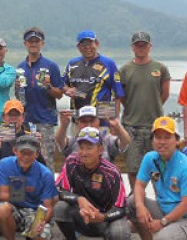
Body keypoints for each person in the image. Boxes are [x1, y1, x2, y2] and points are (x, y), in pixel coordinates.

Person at [123, 117, 187, 240]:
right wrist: (141, 206)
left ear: (177, 140)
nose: (162, 142)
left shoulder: (186, 166)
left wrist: (162, 223)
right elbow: (140, 185)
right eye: (158, 137)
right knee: (132, 202)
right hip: (165, 208)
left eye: (167, 137)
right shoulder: (150, 158)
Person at [54, 127, 131, 240]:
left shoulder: (112, 172)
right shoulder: (71, 162)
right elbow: (59, 191)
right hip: (81, 213)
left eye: (89, 148)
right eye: (81, 147)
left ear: (101, 150)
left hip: (106, 217)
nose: (83, 153)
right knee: (60, 207)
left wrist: (103, 217)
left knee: (120, 233)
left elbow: (121, 208)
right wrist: (79, 199)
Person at [119, 31, 171, 190]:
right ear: (132, 47)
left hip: (154, 127)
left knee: (158, 168)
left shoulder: (160, 68)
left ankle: (160, 200)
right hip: (131, 126)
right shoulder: (125, 69)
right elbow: (121, 96)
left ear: (150, 46)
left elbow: (165, 93)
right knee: (133, 168)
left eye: (144, 45)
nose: (141, 48)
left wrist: (153, 106)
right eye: (137, 45)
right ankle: (135, 201)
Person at [0, 134, 59, 240]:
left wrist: (40, 223)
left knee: (43, 239)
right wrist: (20, 191)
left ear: (37, 154)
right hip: (14, 206)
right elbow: (3, 196)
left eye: (30, 153)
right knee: (2, 209)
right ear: (15, 151)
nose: (25, 157)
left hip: (35, 210)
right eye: (22, 152)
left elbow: (48, 206)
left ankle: (32, 237)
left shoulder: (46, 174)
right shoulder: (4, 164)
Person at [17, 27, 66, 171]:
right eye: (30, 41)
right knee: (26, 157)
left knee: (46, 158)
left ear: (42, 44)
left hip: (45, 121)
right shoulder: (20, 67)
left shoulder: (51, 66)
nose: (33, 44)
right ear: (25, 44)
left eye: (36, 41)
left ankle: (48, 191)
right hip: (26, 122)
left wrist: (49, 86)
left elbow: (60, 94)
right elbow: (19, 97)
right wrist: (17, 87)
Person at [63, 30, 124, 116]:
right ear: (78, 47)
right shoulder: (72, 64)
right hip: (78, 118)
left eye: (90, 43)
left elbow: (117, 94)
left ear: (97, 43)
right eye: (83, 44)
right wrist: (68, 90)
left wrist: (114, 120)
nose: (87, 47)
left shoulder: (109, 63)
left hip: (102, 118)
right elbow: (62, 84)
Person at [56, 105, 131, 162]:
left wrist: (118, 126)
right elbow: (60, 142)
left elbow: (125, 142)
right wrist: (63, 126)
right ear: (78, 123)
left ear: (99, 121)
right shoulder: (73, 140)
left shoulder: (107, 139)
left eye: (92, 121)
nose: (89, 125)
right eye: (84, 121)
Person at [0, 99, 39, 168]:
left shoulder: (31, 137)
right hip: (3, 176)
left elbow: (39, 166)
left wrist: (38, 148)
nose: (13, 118)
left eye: (17, 115)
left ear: (23, 117)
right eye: (10, 115)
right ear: (3, 117)